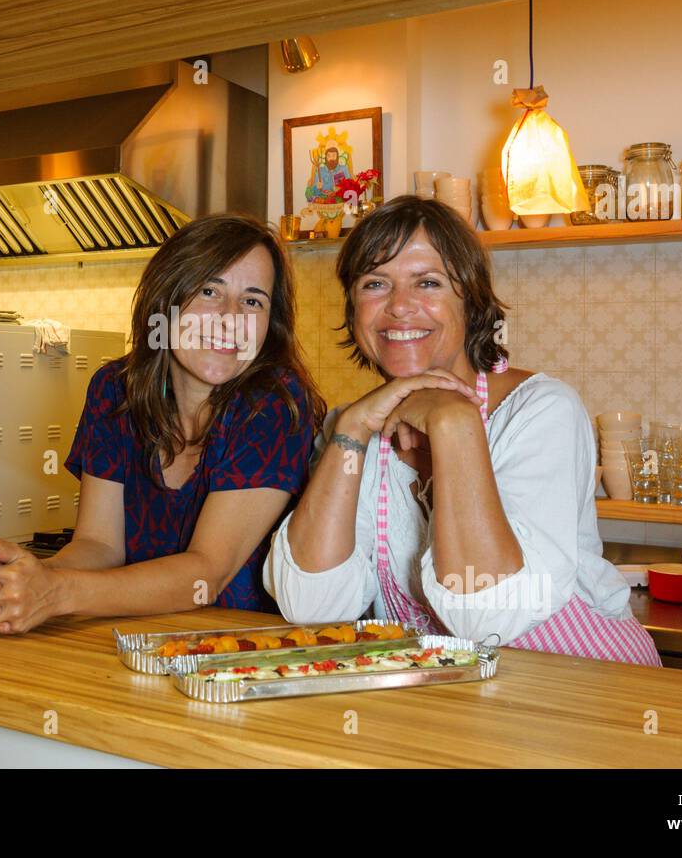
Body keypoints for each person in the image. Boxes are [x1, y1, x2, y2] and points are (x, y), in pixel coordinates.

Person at [263, 195, 661, 666]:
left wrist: (452, 422)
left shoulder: (540, 410)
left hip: (582, 694)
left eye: (427, 283)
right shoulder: (355, 429)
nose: (399, 307)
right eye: (375, 284)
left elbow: (489, 616)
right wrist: (350, 429)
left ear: (470, 302)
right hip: (455, 703)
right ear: (354, 310)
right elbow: (313, 607)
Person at [0, 214, 325, 634]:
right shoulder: (115, 390)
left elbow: (206, 574)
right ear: (165, 301)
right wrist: (27, 577)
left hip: (241, 653)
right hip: (137, 639)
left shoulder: (274, 406)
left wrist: (58, 591)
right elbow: (100, 544)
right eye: (209, 291)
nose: (230, 317)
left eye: (253, 301)